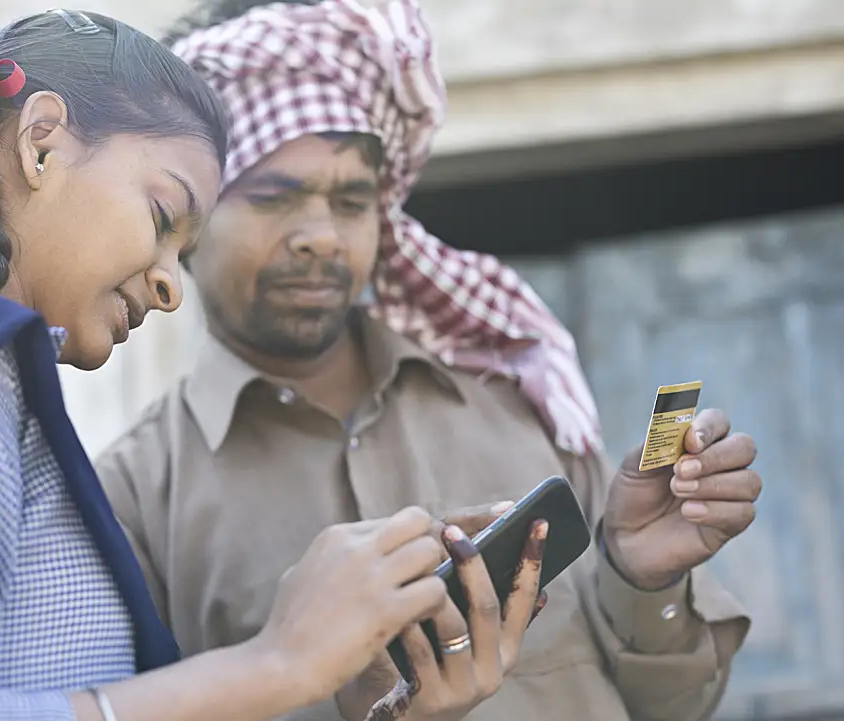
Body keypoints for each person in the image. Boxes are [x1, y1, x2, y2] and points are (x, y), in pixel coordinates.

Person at [0, 8, 548, 721]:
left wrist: (346, 695)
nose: (173, 284)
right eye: (164, 216)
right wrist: (277, 660)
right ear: (41, 143)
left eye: (186, 249)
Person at [95, 1, 762, 720]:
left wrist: (641, 578)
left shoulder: (507, 393)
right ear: (188, 221)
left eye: (351, 200)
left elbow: (672, 704)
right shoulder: (130, 499)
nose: (321, 236)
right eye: (274, 198)